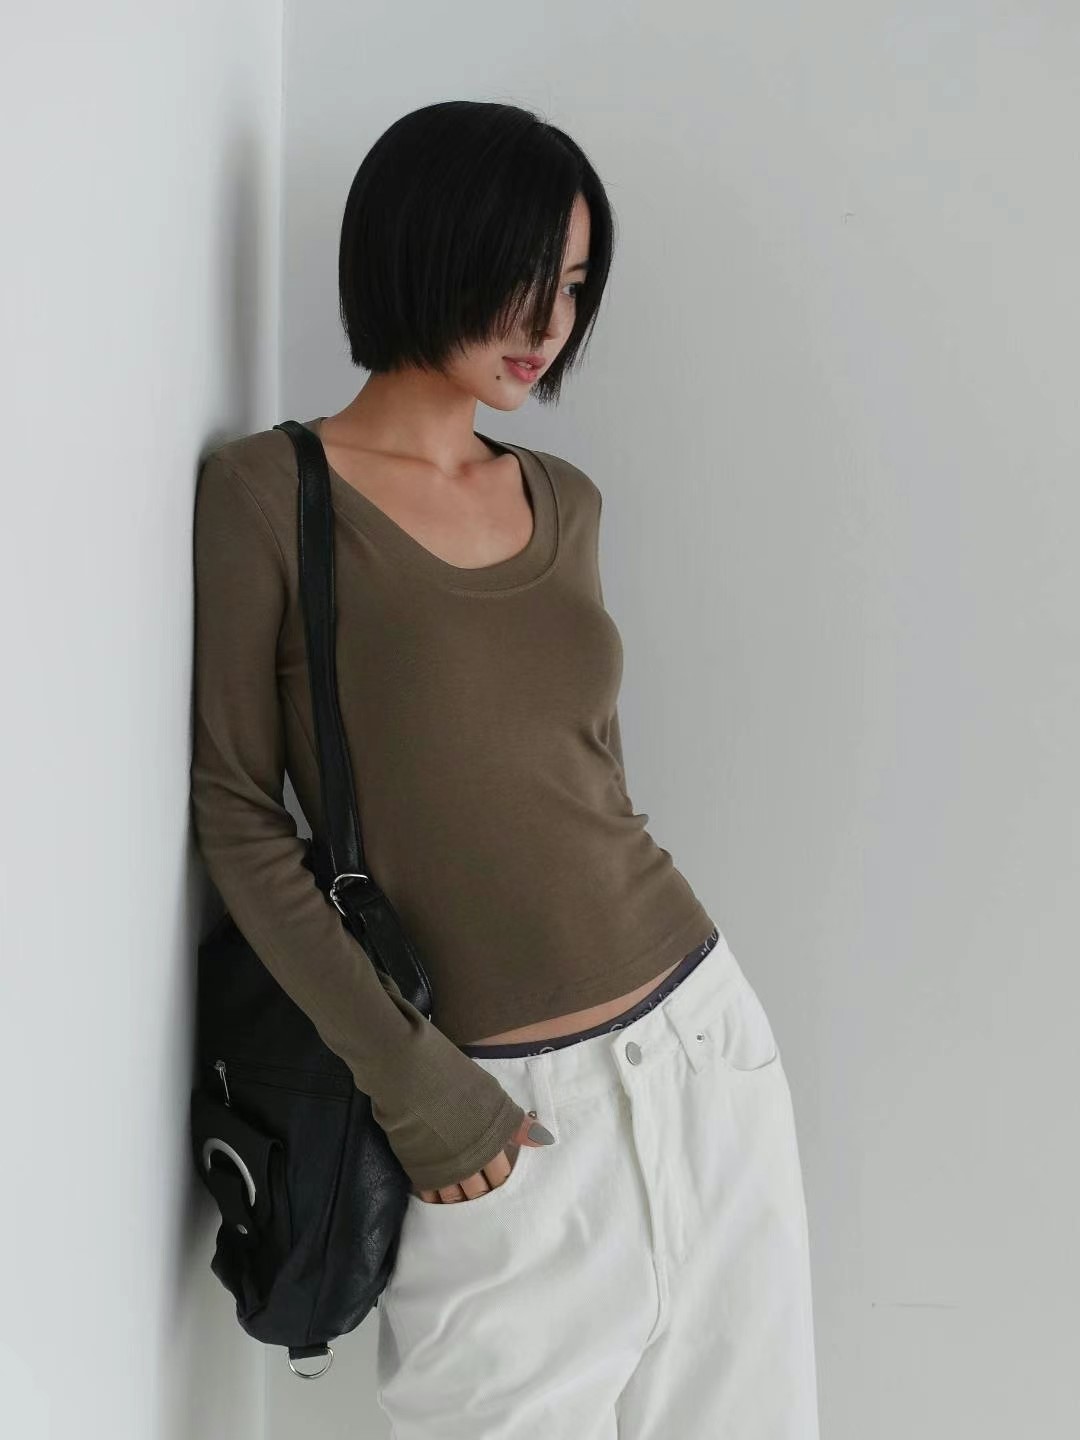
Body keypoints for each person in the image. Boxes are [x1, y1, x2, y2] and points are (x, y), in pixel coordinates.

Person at [190, 99, 820, 1438]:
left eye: (575, 286)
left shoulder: (563, 499)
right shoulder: (269, 495)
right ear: (422, 247)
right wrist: (415, 1085)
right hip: (491, 1118)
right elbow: (237, 817)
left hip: (704, 1050)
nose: (550, 321)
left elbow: (584, 775)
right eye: (524, 275)